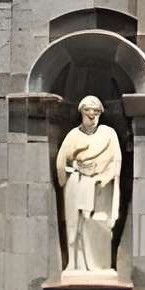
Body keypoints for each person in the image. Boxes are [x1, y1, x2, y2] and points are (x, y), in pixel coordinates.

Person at [55, 95, 125, 278]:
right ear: (82, 112)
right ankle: (73, 262)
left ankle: (99, 264)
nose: (92, 115)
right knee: (73, 223)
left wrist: (103, 177)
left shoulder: (109, 134)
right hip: (76, 182)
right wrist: (76, 168)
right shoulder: (73, 135)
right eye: (88, 111)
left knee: (97, 223)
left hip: (101, 187)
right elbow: (61, 162)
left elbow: (116, 161)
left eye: (96, 111)